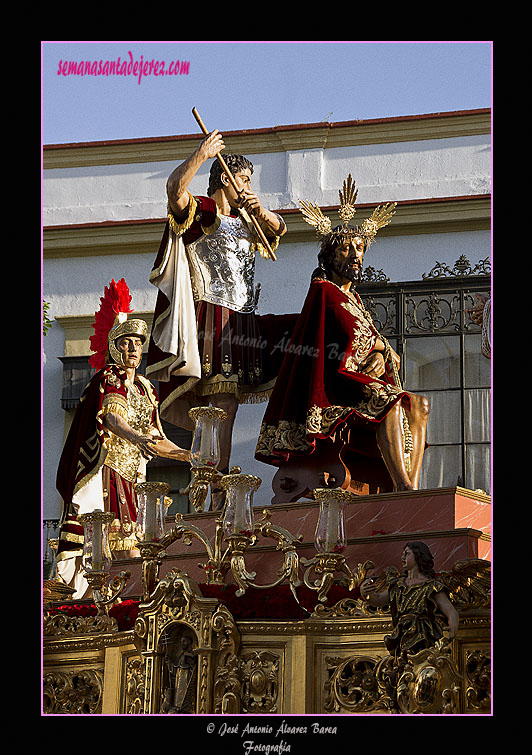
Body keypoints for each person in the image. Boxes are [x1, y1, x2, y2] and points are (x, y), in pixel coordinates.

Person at [146, 129, 295, 504]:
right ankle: (215, 482)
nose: (247, 186)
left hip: (242, 318)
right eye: (243, 179)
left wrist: (259, 209)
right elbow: (174, 191)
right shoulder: (207, 214)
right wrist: (200, 154)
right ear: (226, 179)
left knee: (303, 332)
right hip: (213, 317)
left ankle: (217, 471)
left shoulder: (248, 221)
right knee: (222, 402)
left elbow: (280, 229)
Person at [255, 175, 430, 494]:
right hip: (335, 384)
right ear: (329, 258)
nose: (355, 255)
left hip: (360, 381)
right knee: (390, 401)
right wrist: (377, 347)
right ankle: (401, 485)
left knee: (419, 405)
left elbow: (386, 350)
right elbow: (344, 339)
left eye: (359, 249)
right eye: (346, 249)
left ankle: (411, 489)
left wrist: (381, 352)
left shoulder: (357, 301)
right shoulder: (324, 292)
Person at [56, 279, 189, 599]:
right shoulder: (110, 377)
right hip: (107, 472)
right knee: (111, 549)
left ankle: (126, 601)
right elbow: (112, 418)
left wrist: (190, 455)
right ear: (115, 347)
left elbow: (157, 439)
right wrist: (134, 437)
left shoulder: (146, 388)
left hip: (136, 477)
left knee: (135, 549)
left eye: (137, 343)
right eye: (125, 342)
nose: (132, 348)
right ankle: (95, 603)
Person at [360, 541, 459, 659]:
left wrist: (453, 627)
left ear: (418, 556)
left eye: (407, 554)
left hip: (423, 634)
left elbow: (450, 611)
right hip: (402, 634)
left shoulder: (431, 586)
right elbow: (379, 599)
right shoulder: (397, 585)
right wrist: (365, 593)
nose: (402, 557)